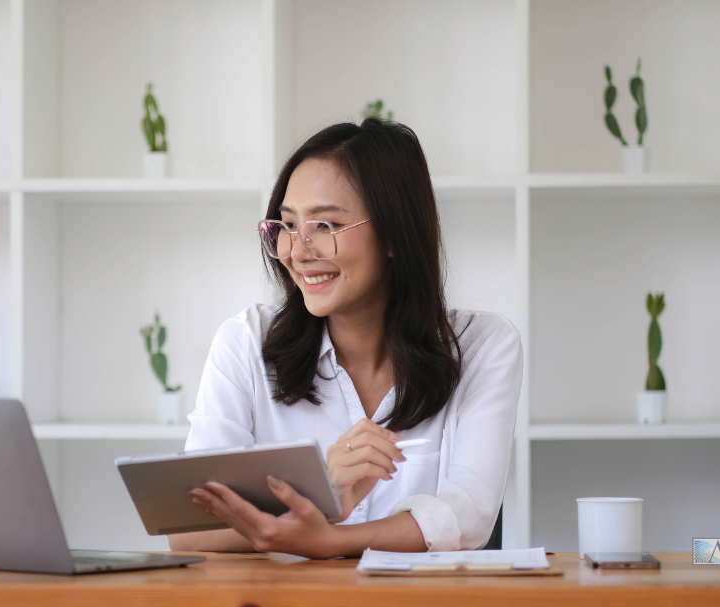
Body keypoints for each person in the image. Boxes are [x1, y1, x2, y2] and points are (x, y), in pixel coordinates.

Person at [166, 118, 523, 559]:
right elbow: (187, 531)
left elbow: (469, 517)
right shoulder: (245, 342)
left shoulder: (482, 347)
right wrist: (315, 490)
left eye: (326, 227)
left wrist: (331, 538)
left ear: (394, 233)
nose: (297, 252)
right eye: (288, 226)